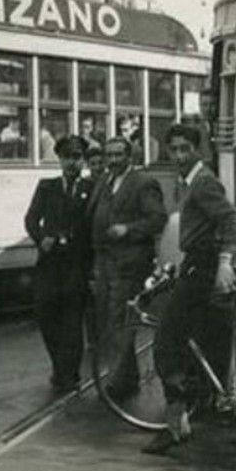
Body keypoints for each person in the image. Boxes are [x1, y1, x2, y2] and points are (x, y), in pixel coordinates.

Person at [142, 123, 236, 454]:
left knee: (164, 344)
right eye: (173, 150)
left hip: (202, 270)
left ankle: (176, 426)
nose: (178, 156)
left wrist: (225, 261)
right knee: (210, 342)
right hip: (196, 265)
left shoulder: (202, 183)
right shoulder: (188, 182)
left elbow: (235, 222)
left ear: (199, 149)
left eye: (185, 149)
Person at [89, 136, 167, 398]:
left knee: (120, 321)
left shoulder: (143, 183)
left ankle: (119, 383)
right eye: (108, 155)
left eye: (117, 155)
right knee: (109, 321)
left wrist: (128, 229)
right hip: (105, 262)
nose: (112, 160)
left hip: (129, 264)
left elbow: (158, 219)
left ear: (129, 156)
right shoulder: (104, 181)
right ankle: (126, 378)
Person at [24, 136, 94, 392]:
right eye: (66, 158)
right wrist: (41, 239)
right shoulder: (47, 187)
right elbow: (31, 219)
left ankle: (69, 373)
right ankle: (58, 365)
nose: (71, 163)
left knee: (72, 320)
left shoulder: (92, 187)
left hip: (77, 262)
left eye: (76, 158)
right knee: (46, 314)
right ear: (60, 160)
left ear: (83, 160)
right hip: (50, 262)